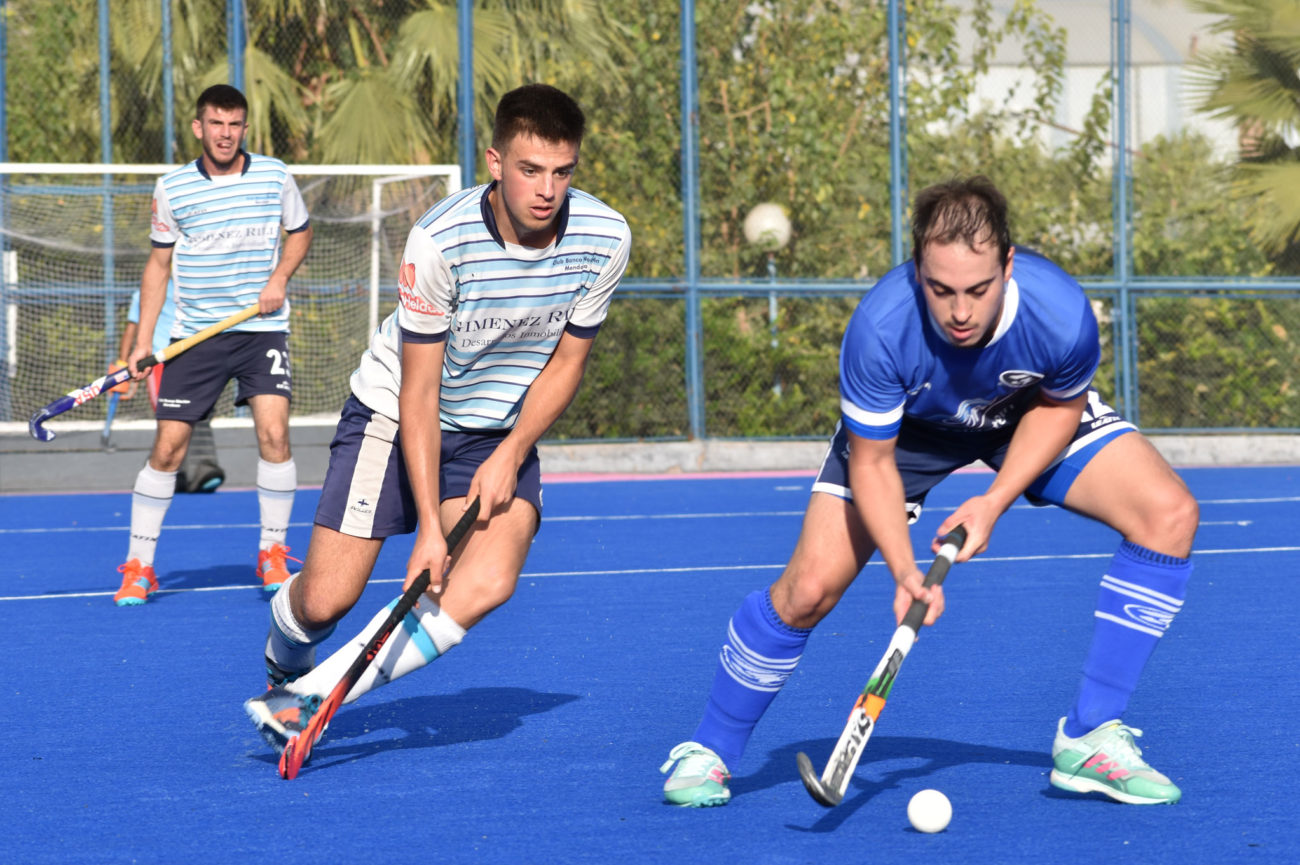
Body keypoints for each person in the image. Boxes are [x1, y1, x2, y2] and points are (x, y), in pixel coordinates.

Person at [659, 176, 1197, 807]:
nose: (960, 312)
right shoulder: (881, 328)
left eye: (978, 289)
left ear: (1008, 265)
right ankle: (710, 749)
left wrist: (994, 500)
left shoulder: (1059, 313)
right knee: (807, 591)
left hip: (1021, 414)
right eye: (941, 290)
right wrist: (904, 572)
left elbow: (1059, 406)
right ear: (918, 271)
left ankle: (1090, 739)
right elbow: (873, 462)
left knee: (1168, 514)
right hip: (906, 436)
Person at [241, 83, 631, 756]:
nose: (547, 190)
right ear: (495, 162)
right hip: (395, 414)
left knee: (489, 579)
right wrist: (429, 526)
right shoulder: (440, 241)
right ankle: (288, 646)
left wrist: (512, 451)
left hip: (494, 430)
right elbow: (419, 392)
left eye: (562, 172)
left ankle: (310, 698)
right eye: (530, 170)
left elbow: (567, 363)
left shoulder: (604, 236)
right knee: (325, 602)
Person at [114, 83, 313, 606]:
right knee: (168, 449)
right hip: (195, 337)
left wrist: (279, 279)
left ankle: (272, 553)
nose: (226, 134)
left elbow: (300, 232)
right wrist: (141, 343)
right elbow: (158, 266)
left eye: (234, 124)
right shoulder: (173, 188)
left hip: (261, 330)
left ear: (244, 128)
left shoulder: (274, 175)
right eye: (216, 124)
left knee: (275, 435)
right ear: (198, 128)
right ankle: (139, 566)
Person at [107, 285, 227, 494]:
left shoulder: (172, 288)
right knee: (181, 415)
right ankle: (178, 472)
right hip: (173, 361)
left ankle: (187, 470)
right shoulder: (184, 287)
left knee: (179, 416)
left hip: (180, 361)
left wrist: (122, 364)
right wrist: (122, 368)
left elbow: (131, 330)